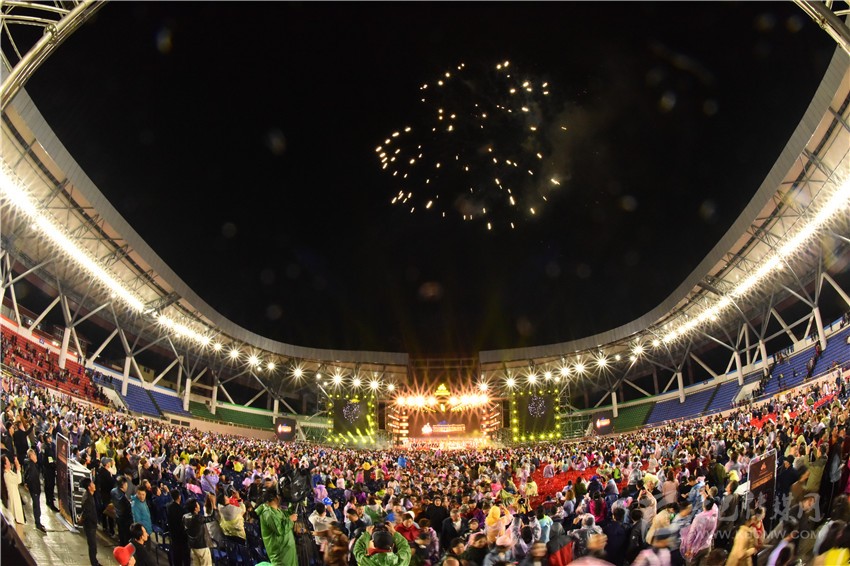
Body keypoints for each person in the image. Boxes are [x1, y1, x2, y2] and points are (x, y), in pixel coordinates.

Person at [255, 490, 298, 566]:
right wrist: (290, 520)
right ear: (275, 498)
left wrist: (294, 503)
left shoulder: (276, 510)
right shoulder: (268, 513)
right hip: (281, 553)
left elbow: (286, 516)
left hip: (286, 550)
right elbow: (279, 530)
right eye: (279, 496)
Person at [182, 497, 216, 566]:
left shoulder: (185, 517)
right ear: (195, 508)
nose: (199, 505)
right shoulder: (198, 518)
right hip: (202, 547)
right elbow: (212, 518)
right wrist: (214, 506)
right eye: (197, 504)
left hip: (193, 546)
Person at [79, 477, 102, 566]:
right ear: (89, 487)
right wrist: (81, 519)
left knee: (93, 545)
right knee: (92, 546)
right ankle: (94, 563)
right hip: (90, 525)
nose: (94, 485)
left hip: (91, 524)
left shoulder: (89, 495)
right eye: (92, 483)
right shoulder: (88, 498)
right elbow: (86, 512)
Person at [24, 448, 46, 532]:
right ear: (31, 456)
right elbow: (30, 478)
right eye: (34, 455)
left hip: (35, 489)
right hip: (35, 489)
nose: (36, 456)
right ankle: (38, 523)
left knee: (37, 505)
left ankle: (38, 522)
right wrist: (31, 487)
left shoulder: (31, 465)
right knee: (36, 506)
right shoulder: (32, 466)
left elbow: (26, 475)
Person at [166, 489, 189, 566]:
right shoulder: (181, 510)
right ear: (179, 497)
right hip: (181, 536)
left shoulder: (169, 507)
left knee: (177, 557)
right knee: (185, 556)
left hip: (173, 535)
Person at [2, 454, 25, 524]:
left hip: (15, 495)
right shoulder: (6, 475)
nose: (9, 462)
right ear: (5, 465)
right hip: (13, 498)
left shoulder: (9, 472)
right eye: (8, 461)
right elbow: (19, 480)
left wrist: (18, 467)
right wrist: (18, 468)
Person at [112, 476, 133, 545]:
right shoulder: (123, 499)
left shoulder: (113, 491)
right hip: (125, 520)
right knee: (126, 539)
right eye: (126, 484)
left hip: (118, 517)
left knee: (121, 535)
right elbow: (128, 511)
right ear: (123, 485)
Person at [42, 433, 57, 512]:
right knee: (50, 486)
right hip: (49, 470)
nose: (50, 438)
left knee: (47, 486)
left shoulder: (45, 446)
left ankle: (48, 500)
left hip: (46, 469)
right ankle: (51, 503)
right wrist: (54, 465)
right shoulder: (47, 448)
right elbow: (50, 459)